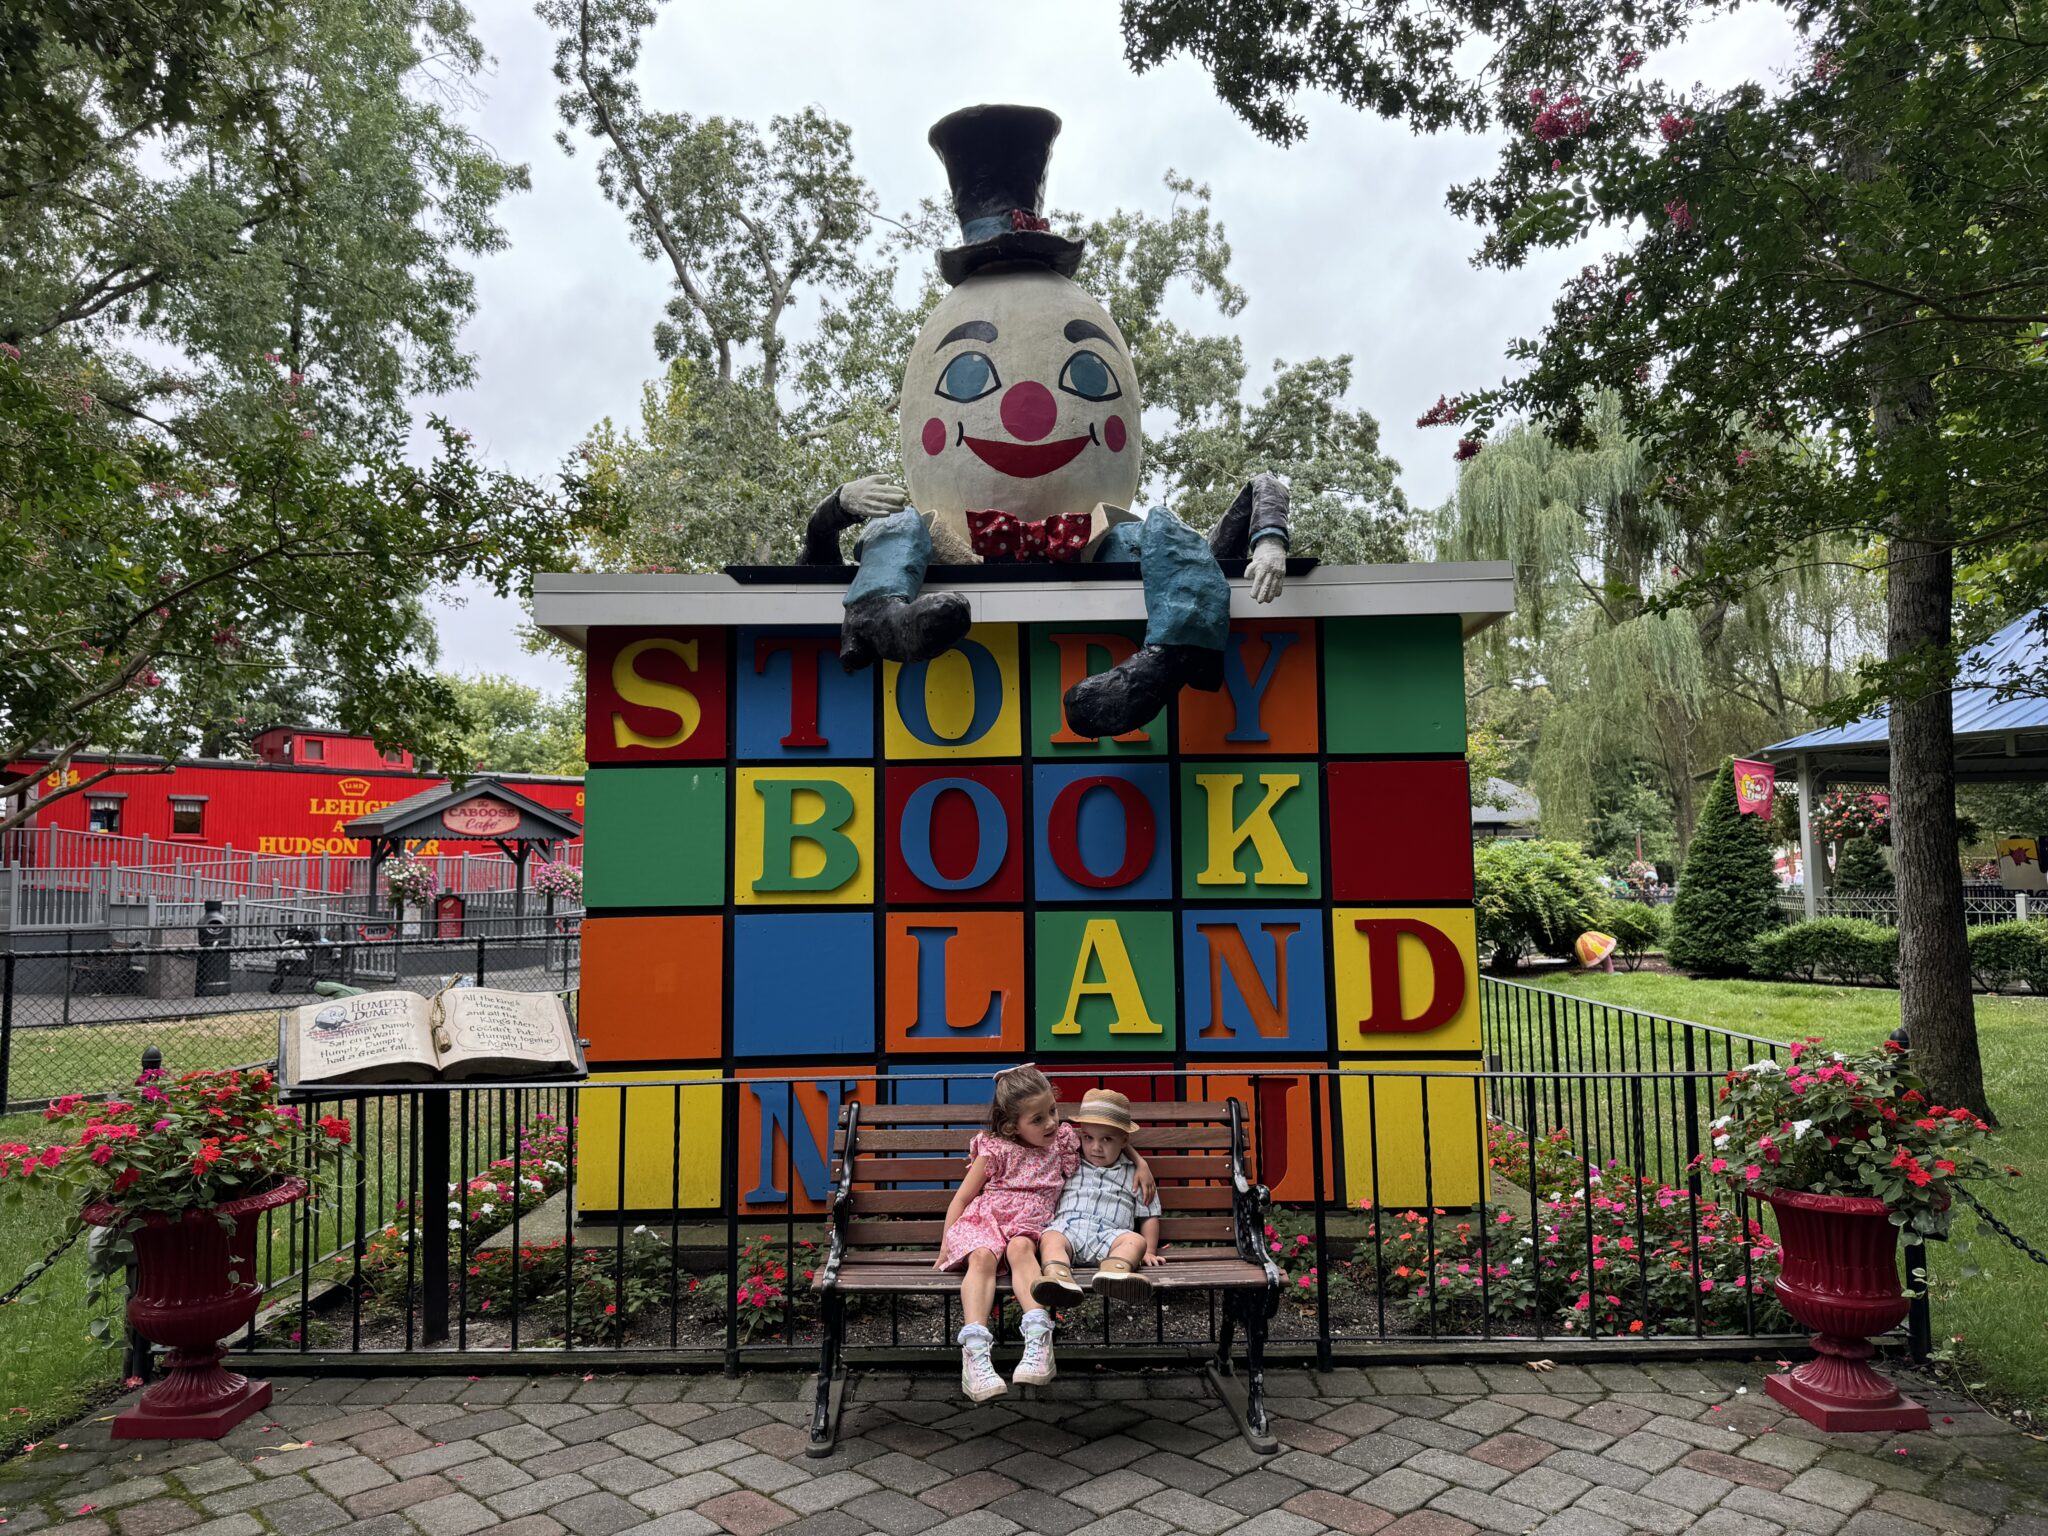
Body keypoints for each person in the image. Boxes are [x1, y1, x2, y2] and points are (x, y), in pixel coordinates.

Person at [935, 1065, 1152, 1399]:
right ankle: (975, 1353)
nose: (1050, 1122)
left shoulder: (1063, 1141)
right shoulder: (996, 1149)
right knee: (981, 1257)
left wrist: (1139, 1160)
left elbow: (1107, 1134)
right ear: (1012, 1125)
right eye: (1037, 1119)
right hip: (987, 1221)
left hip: (1028, 1226)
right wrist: (946, 1244)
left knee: (1021, 1248)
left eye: (1052, 1110)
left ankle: (1038, 1338)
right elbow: (962, 1198)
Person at [1033, 1089, 1163, 1304]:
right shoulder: (1069, 1160)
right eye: (1088, 1138)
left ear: (1124, 1141)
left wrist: (1148, 1250)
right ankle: (1058, 1277)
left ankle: (1114, 1273)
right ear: (1080, 1135)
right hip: (1068, 1229)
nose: (1096, 1147)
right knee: (1050, 1238)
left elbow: (1149, 1215)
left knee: (1135, 1240)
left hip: (1111, 1237)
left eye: (1107, 1139)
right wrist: (1141, 1160)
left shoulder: (1136, 1175)